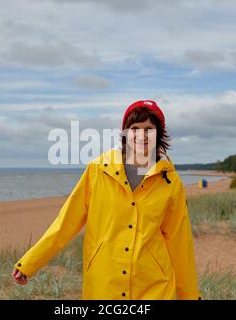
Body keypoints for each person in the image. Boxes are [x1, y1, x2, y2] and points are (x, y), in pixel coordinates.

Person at [12, 100, 202, 300]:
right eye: (135, 128)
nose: (141, 135)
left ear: (159, 134)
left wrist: (190, 296)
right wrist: (30, 263)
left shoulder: (170, 181)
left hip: (152, 286)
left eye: (149, 129)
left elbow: (180, 244)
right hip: (104, 283)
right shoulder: (98, 170)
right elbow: (66, 222)